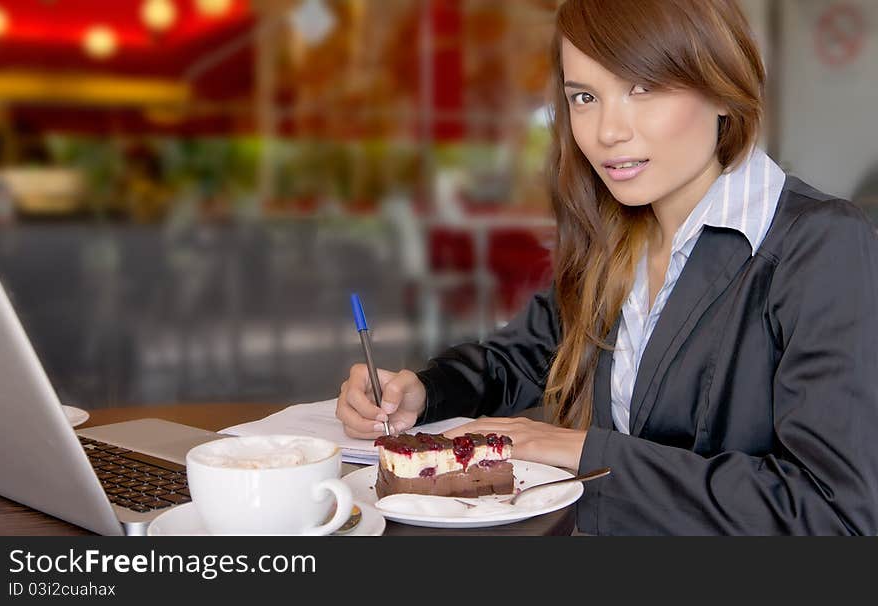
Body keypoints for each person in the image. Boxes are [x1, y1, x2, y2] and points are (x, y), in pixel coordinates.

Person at [335, 0, 878, 535]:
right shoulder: (618, 238)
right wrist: (424, 392)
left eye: (642, 88)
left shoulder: (820, 243)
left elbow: (835, 513)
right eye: (585, 96)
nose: (607, 131)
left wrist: (586, 452)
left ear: (722, 86)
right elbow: (521, 356)